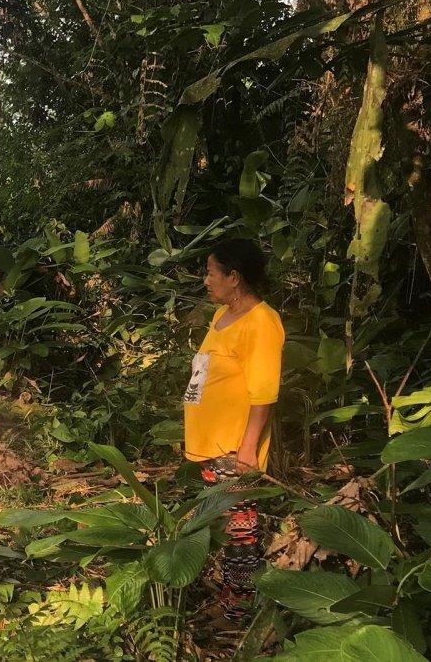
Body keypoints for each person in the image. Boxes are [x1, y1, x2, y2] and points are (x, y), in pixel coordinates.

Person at [183, 238, 284, 622]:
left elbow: (263, 395)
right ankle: (228, 596)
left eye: (211, 273)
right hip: (210, 442)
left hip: (234, 448)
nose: (205, 280)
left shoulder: (261, 323)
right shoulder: (223, 315)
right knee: (226, 524)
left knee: (241, 529)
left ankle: (238, 611)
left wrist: (247, 449)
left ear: (234, 277)